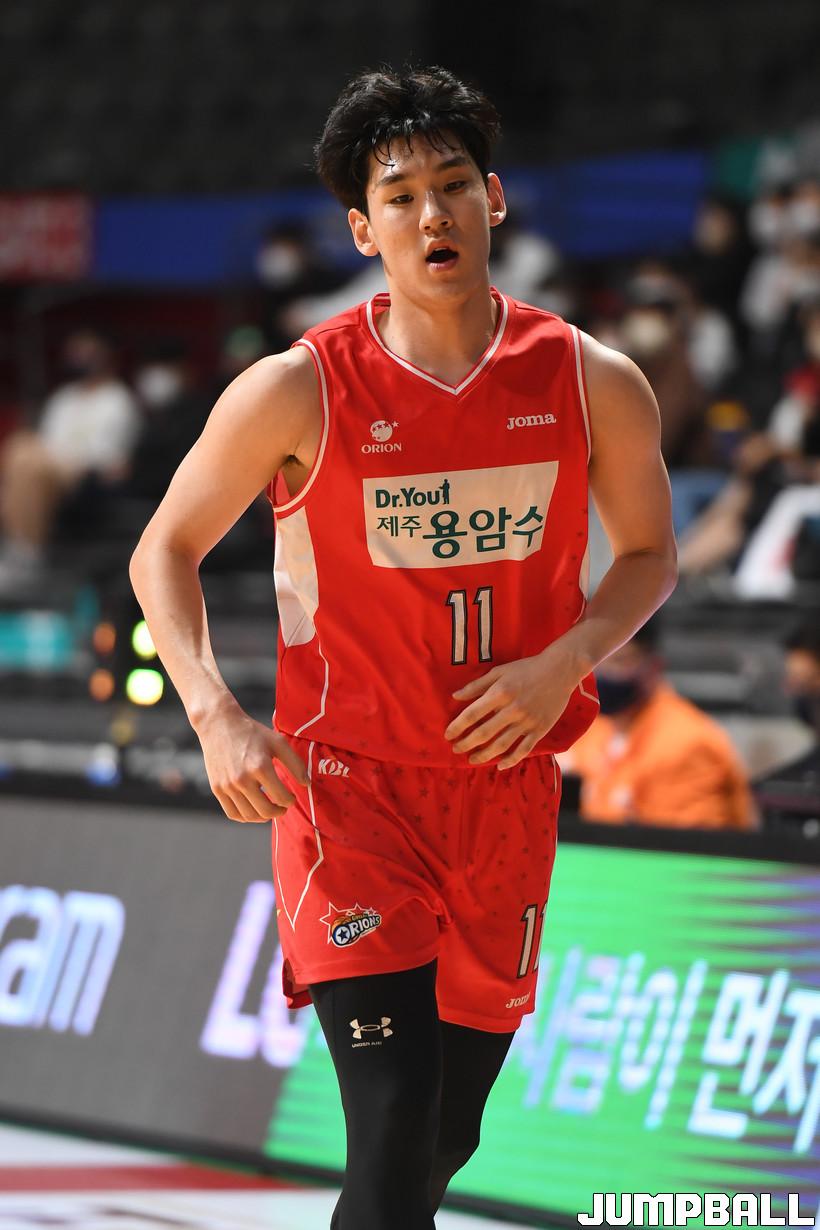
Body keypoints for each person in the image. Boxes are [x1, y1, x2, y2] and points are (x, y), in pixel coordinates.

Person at [129, 66, 677, 1230]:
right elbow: (161, 550)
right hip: (350, 795)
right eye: (401, 195)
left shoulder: (590, 379)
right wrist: (216, 714)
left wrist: (564, 660)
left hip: (504, 790)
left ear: (495, 200)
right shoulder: (297, 388)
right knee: (389, 1120)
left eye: (454, 184)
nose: (434, 213)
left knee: (443, 1138)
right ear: (361, 229)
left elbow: (647, 557)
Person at [561, 616, 756, 830]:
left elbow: (685, 846)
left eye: (618, 661)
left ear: (654, 666)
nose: (603, 673)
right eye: (595, 662)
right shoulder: (591, 727)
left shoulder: (686, 743)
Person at [0, 328, 139, 589]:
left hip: (89, 473)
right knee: (22, 452)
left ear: (105, 355)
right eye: (76, 353)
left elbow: (110, 457)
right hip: (48, 466)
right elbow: (46, 442)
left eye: (87, 352)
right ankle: (24, 550)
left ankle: (23, 552)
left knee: (25, 459)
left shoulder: (118, 399)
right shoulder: (63, 398)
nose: (80, 359)